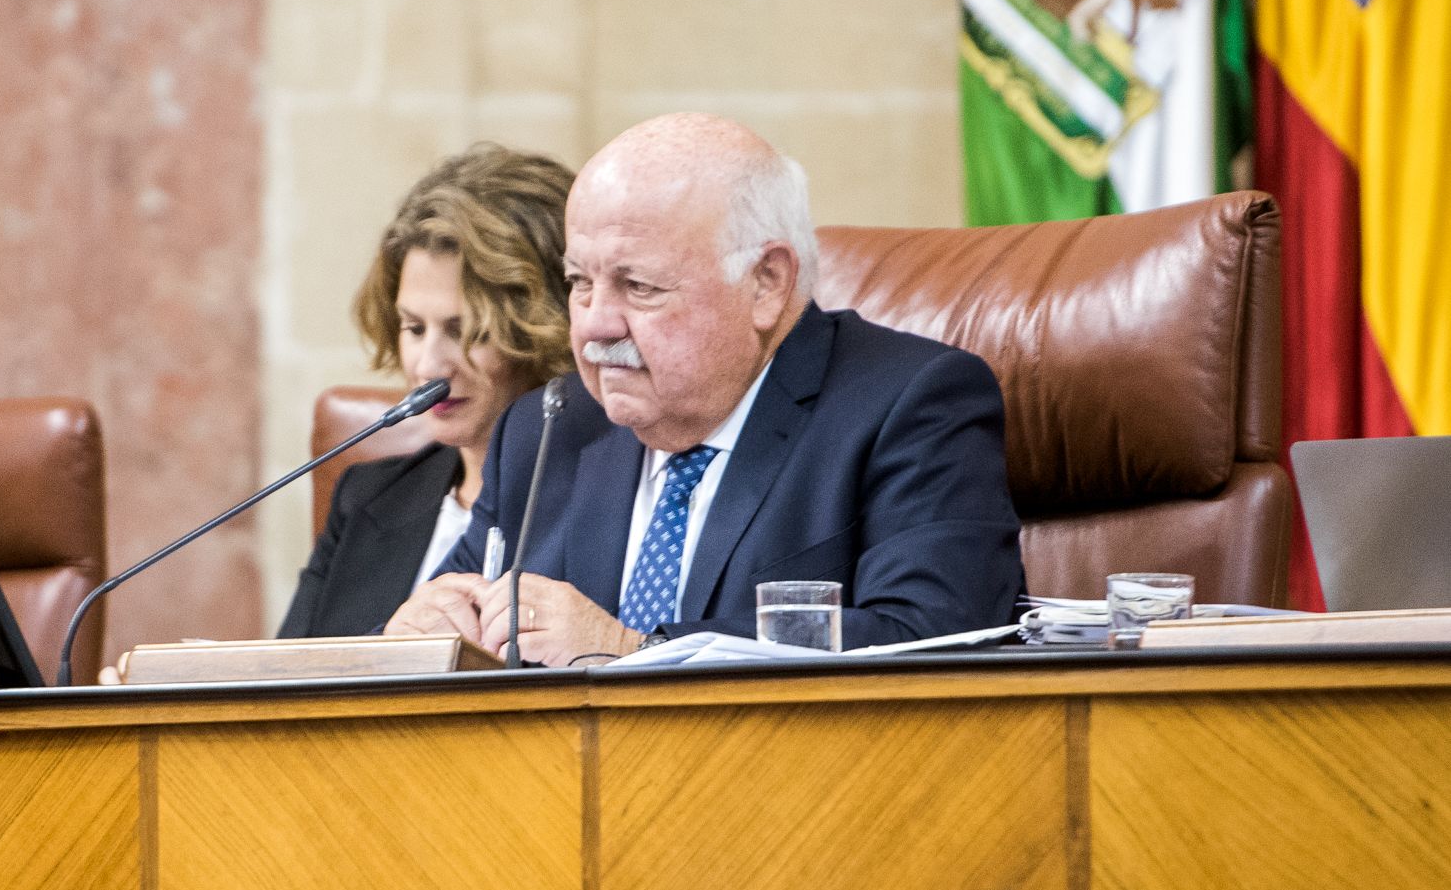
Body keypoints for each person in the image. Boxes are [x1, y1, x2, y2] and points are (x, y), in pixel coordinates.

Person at [388, 113, 1024, 662]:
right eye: (581, 282)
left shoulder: (910, 405)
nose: (596, 324)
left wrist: (633, 652)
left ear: (766, 283)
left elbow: (936, 635)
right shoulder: (548, 427)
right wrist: (419, 638)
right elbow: (446, 630)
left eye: (639, 287)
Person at [279, 145, 575, 639]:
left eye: (463, 331)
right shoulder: (367, 497)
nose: (428, 365)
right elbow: (284, 684)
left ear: (544, 328)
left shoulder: (603, 501)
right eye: (414, 328)